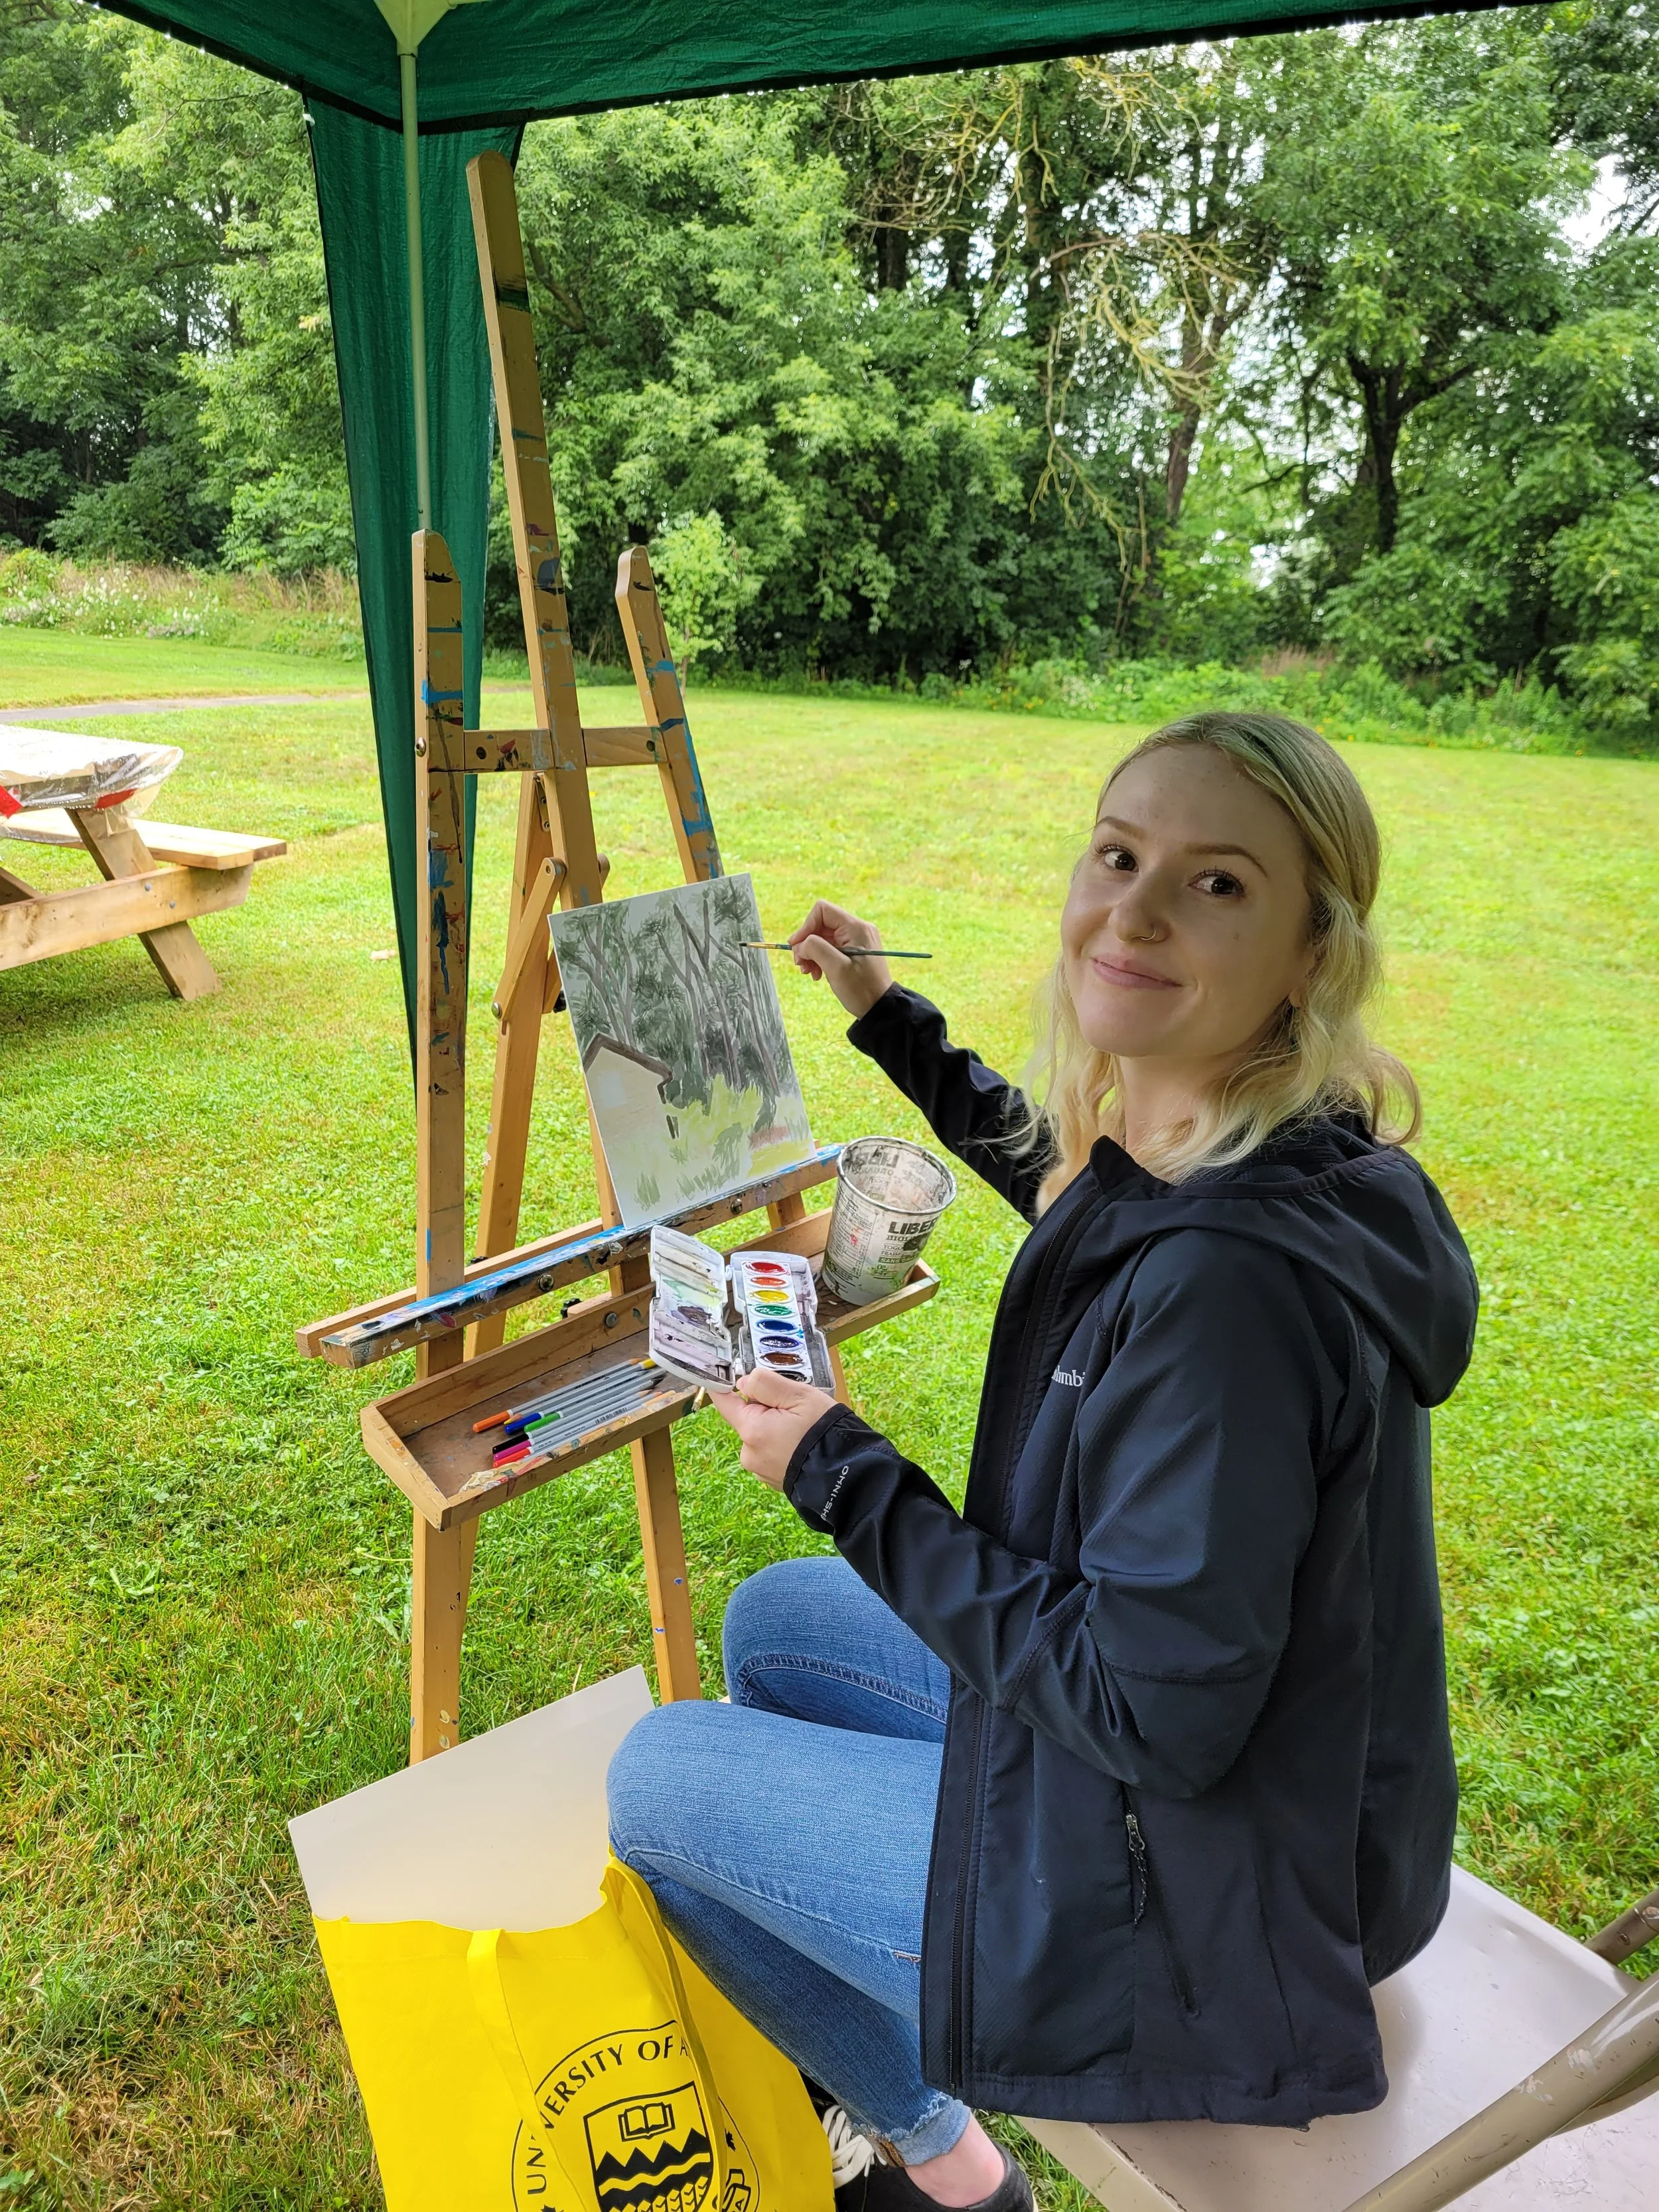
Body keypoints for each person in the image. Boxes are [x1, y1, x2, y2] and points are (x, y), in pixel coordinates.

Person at [607, 712, 1479, 2209]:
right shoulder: (1271, 1137)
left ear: (1309, 955)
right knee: (774, 1627)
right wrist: (889, 1016)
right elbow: (1075, 1183)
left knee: (652, 1785)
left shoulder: (1227, 1297)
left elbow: (1145, 1711)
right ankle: (907, 2037)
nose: (1133, 910)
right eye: (1118, 853)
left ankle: (941, 2162)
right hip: (1316, 1811)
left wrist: (835, 1465)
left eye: (1214, 885)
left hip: (1233, 1921)